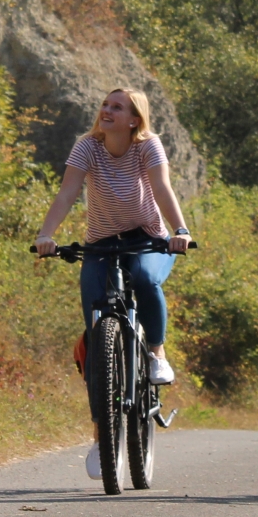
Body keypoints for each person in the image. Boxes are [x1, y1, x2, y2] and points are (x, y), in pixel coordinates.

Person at [32, 86, 193, 480]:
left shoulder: (147, 145)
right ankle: (101, 432)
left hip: (149, 240)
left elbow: (161, 189)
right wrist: (46, 235)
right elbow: (67, 192)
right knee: (95, 334)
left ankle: (156, 354)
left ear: (135, 120)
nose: (106, 110)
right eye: (105, 105)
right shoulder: (88, 146)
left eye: (117, 107)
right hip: (101, 245)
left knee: (144, 278)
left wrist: (180, 230)